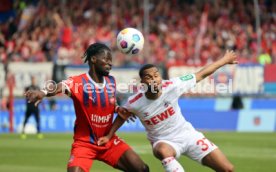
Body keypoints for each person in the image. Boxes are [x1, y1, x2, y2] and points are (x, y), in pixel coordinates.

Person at [98, 50, 237, 172]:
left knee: (228, 169)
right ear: (142, 83)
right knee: (162, 151)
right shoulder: (135, 102)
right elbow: (122, 116)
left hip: (188, 135)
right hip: (163, 141)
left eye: (156, 75)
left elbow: (201, 74)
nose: (154, 80)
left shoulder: (173, 86)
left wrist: (224, 60)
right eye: (149, 77)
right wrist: (109, 135)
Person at [25, 43, 149, 172]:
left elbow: (109, 102)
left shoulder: (111, 81)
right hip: (85, 144)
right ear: (93, 59)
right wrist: (43, 93)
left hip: (109, 140)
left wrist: (118, 109)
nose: (110, 63)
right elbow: (59, 87)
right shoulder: (78, 82)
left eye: (110, 60)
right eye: (106, 59)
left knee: (142, 169)